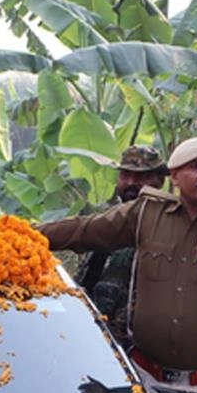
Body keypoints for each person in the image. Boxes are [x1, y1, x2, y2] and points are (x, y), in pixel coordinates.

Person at [39, 91, 197, 393]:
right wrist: (17, 234)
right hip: (146, 377)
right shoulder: (145, 213)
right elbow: (83, 230)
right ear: (175, 177)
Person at [74, 145, 169, 350]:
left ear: (159, 181)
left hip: (137, 351)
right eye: (125, 175)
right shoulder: (108, 221)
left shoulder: (169, 226)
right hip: (92, 338)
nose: (131, 183)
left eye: (141, 176)